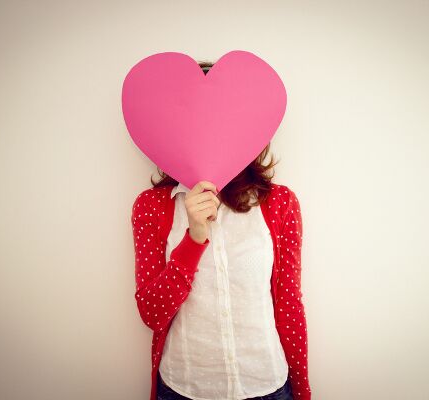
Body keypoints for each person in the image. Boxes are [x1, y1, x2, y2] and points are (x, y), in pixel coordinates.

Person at [132, 61, 311, 400]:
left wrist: (302, 392)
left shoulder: (280, 204)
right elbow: (152, 314)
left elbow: (289, 305)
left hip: (267, 386)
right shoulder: (152, 207)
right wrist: (194, 238)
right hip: (183, 389)